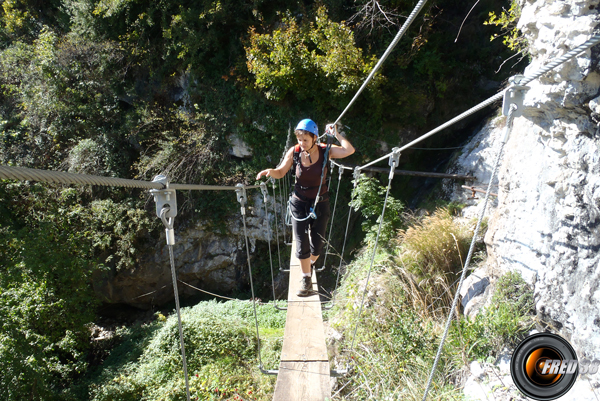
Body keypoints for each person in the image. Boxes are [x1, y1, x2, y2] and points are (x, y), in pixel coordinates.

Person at [256, 119, 355, 296]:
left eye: (305, 140)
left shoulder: (325, 151)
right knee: (302, 245)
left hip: (320, 201)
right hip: (299, 201)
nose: (301, 144)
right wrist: (271, 171)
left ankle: (308, 265)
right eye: (299, 139)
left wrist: (336, 134)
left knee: (316, 247)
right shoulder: (294, 151)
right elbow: (281, 171)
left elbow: (349, 150)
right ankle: (306, 279)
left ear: (315, 138)